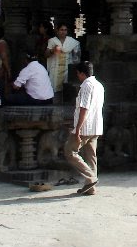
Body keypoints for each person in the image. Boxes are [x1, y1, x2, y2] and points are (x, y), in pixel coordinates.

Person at [65, 62, 104, 196]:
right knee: (91, 156)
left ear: (82, 73)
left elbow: (84, 108)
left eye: (78, 74)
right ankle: (91, 187)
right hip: (96, 126)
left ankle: (90, 177)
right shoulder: (99, 85)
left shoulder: (87, 85)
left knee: (70, 151)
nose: (77, 76)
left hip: (86, 127)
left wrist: (78, 129)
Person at [45, 23, 81, 95]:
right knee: (53, 89)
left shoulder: (72, 42)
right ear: (57, 31)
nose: (63, 32)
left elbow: (76, 57)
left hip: (67, 69)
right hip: (55, 69)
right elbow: (46, 54)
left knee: (66, 90)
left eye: (65, 30)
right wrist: (53, 50)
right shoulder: (52, 41)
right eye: (61, 30)